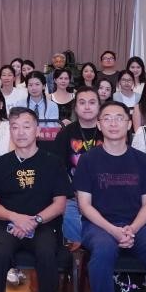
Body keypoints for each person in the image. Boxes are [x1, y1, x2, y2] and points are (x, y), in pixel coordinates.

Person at [74, 100, 146, 292]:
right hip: (99, 226)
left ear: (129, 124)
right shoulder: (88, 160)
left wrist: (132, 229)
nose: (113, 123)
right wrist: (114, 230)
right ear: (99, 125)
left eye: (119, 118)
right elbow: (84, 206)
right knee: (102, 254)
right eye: (107, 118)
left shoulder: (142, 160)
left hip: (139, 226)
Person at [0, 108, 70, 292]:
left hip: (43, 225)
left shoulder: (53, 162)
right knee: (0, 255)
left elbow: (59, 204)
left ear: (37, 130)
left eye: (26, 127)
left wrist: (34, 221)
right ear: (10, 131)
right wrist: (16, 218)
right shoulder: (0, 164)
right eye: (15, 127)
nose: (20, 132)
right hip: (7, 226)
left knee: (47, 252)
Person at [49, 88, 102, 248]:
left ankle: (95, 248)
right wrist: (75, 192)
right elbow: (57, 169)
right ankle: (79, 253)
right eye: (82, 102)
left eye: (92, 102)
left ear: (99, 106)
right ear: (76, 108)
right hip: (73, 194)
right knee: (67, 212)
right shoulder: (66, 133)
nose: (87, 107)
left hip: (103, 192)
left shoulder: (108, 131)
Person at [22, 72, 60, 139]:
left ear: (44, 86)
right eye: (30, 85)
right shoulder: (20, 105)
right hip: (24, 140)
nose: (34, 88)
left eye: (37, 84)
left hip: (46, 141)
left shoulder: (52, 106)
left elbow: (52, 130)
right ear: (27, 87)